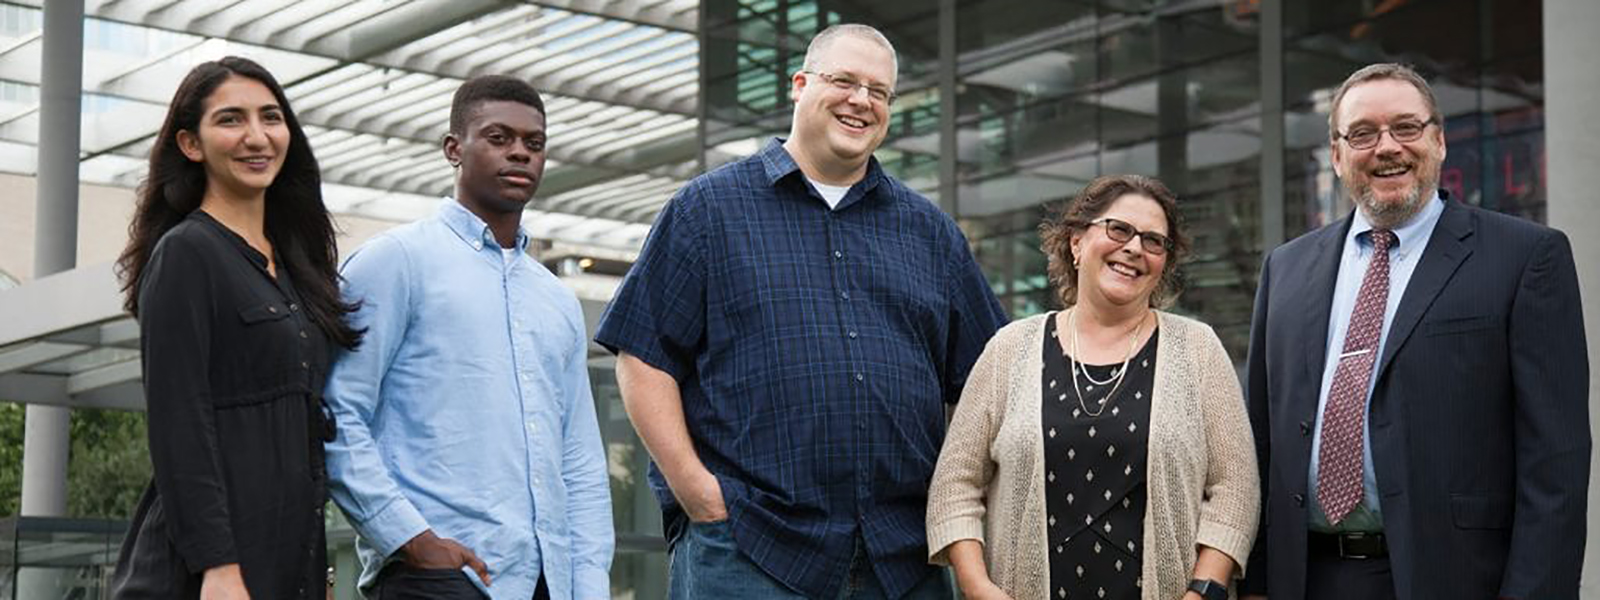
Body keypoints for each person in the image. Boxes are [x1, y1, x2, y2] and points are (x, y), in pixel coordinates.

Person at [594, 23, 1009, 600]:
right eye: (844, 80)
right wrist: (698, 493)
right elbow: (644, 358)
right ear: (799, 84)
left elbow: (988, 381)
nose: (861, 100)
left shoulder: (930, 234)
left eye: (879, 91)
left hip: (902, 558)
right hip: (749, 550)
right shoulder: (707, 210)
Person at [1240, 63, 1590, 600]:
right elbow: (1260, 440)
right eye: (1362, 133)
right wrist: (1257, 583)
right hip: (1305, 579)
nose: (1387, 147)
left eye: (1406, 127)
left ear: (1439, 142)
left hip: (1454, 578)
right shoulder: (1284, 269)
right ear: (1336, 155)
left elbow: (1556, 464)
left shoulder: (1525, 258)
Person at [323, 75, 613, 600]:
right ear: (454, 149)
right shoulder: (397, 262)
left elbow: (580, 462)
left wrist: (589, 585)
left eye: (534, 143)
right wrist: (411, 540)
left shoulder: (556, 300)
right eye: (499, 138)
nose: (520, 154)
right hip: (436, 579)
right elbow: (338, 415)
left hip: (549, 584)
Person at [925, 174, 1260, 600]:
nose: (1135, 247)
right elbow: (956, 483)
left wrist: (1202, 592)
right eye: (1119, 229)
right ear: (1076, 242)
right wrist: (978, 588)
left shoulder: (1198, 351)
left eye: (1154, 241)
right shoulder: (1009, 350)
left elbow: (1236, 488)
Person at [109, 56, 361, 599]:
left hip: (288, 565)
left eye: (271, 118)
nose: (257, 136)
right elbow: (179, 426)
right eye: (230, 120)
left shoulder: (297, 269)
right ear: (190, 144)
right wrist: (217, 566)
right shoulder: (186, 254)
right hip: (204, 575)